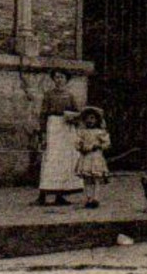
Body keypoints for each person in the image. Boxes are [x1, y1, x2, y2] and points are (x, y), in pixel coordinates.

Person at [34, 70, 83, 205]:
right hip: (53, 127)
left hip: (66, 129)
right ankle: (42, 195)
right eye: (56, 77)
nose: (59, 79)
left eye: (61, 77)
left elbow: (78, 114)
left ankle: (60, 195)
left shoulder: (70, 95)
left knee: (64, 160)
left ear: (66, 79)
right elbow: (43, 114)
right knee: (50, 159)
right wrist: (43, 132)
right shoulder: (48, 95)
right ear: (53, 79)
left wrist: (72, 118)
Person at [74, 107, 112, 209]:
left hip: (96, 157)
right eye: (87, 118)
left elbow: (107, 144)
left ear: (97, 120)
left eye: (92, 118)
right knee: (87, 179)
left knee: (96, 178)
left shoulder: (100, 132)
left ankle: (96, 198)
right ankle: (88, 198)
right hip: (86, 157)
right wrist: (81, 147)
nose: (90, 121)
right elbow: (77, 144)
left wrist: (99, 146)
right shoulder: (82, 132)